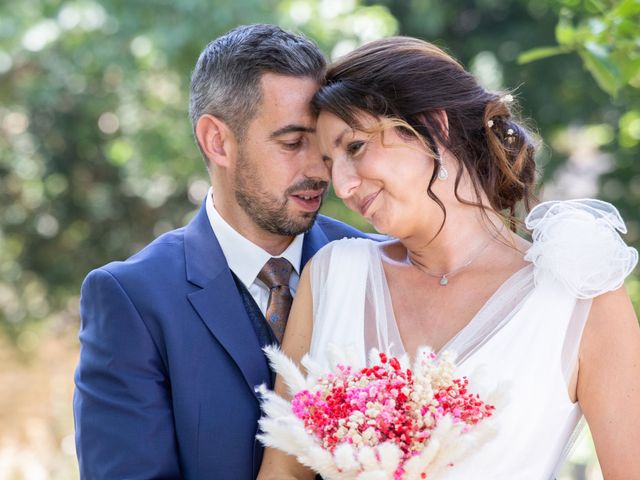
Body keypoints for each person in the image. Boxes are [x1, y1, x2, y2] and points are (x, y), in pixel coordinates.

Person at [257, 37, 640, 479]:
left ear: (432, 126)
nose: (341, 186)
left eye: (355, 147)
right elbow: (282, 472)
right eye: (329, 162)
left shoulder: (580, 297)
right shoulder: (331, 275)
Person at [73, 24, 368, 479]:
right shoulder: (131, 298)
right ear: (217, 141)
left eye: (326, 142)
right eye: (291, 142)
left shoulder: (376, 264)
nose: (319, 168)